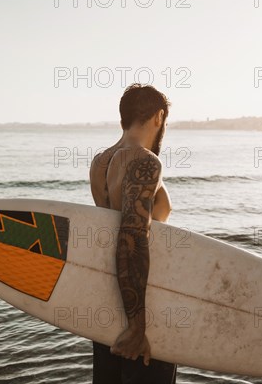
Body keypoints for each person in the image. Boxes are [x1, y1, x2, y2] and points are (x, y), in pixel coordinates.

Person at [89, 83, 176, 384]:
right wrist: (138, 326)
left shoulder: (99, 162)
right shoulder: (145, 162)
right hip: (143, 309)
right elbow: (131, 238)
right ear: (158, 117)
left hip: (106, 307)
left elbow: (110, 232)